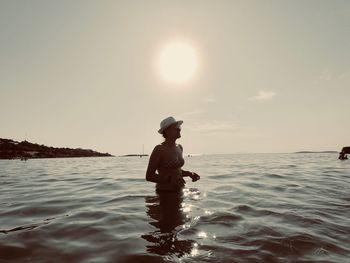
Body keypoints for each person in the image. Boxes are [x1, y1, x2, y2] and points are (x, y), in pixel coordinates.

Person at [146, 116, 200, 192]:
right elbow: (149, 176)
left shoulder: (179, 147)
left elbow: (176, 171)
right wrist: (170, 179)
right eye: (176, 127)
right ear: (167, 131)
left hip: (180, 190)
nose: (179, 129)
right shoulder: (159, 149)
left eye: (179, 127)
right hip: (165, 193)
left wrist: (190, 174)